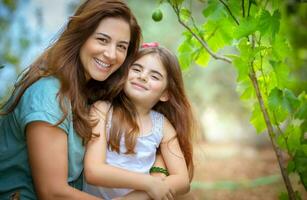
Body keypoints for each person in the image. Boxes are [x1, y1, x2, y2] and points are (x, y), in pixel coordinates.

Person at [0, 0, 142, 199]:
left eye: (121, 46)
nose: (111, 54)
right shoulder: (48, 95)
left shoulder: (90, 92)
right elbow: (52, 193)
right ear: (80, 36)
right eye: (102, 40)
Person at [83, 43, 195, 200]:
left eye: (155, 76)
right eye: (136, 69)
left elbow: (182, 181)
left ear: (165, 94)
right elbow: (93, 171)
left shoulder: (162, 126)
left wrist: (133, 198)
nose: (142, 76)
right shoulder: (102, 111)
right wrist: (148, 183)